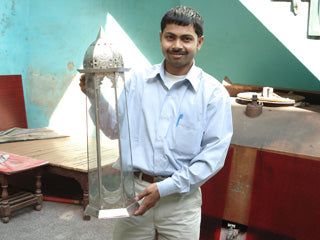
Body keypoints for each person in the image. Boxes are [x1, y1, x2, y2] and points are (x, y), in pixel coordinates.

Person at [80, 5, 233, 240]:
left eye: (186, 39)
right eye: (170, 37)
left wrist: (164, 189)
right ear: (161, 38)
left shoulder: (213, 93)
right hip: (135, 193)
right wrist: (94, 94)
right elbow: (113, 130)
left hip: (181, 200)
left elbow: (213, 156)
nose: (177, 45)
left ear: (199, 42)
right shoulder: (137, 82)